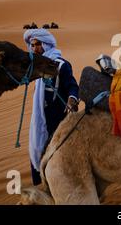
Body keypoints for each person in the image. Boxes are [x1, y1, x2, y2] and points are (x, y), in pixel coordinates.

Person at [23, 29, 79, 185]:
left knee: (59, 154)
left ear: (46, 45)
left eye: (37, 45)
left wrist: (71, 100)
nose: (34, 49)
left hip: (58, 118)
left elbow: (72, 86)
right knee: (37, 147)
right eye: (32, 45)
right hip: (41, 117)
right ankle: (41, 186)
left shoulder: (61, 65)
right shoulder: (36, 67)